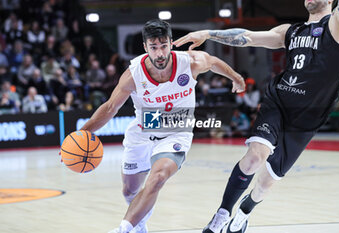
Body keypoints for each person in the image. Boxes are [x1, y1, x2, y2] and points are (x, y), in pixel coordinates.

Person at [173, 1, 339, 233]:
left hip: (307, 117)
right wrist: (208, 33)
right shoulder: (291, 31)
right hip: (278, 101)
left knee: (267, 181)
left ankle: (246, 209)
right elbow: (247, 36)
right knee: (255, 157)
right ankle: (222, 214)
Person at [79, 19, 245, 233]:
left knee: (157, 178)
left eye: (164, 46)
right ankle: (140, 225)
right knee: (129, 191)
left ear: (171, 43)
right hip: (142, 131)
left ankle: (123, 229)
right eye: (154, 48)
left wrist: (236, 78)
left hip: (177, 131)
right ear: (145, 47)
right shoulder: (134, 74)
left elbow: (213, 61)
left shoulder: (190, 62)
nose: (160, 54)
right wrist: (82, 134)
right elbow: (111, 107)